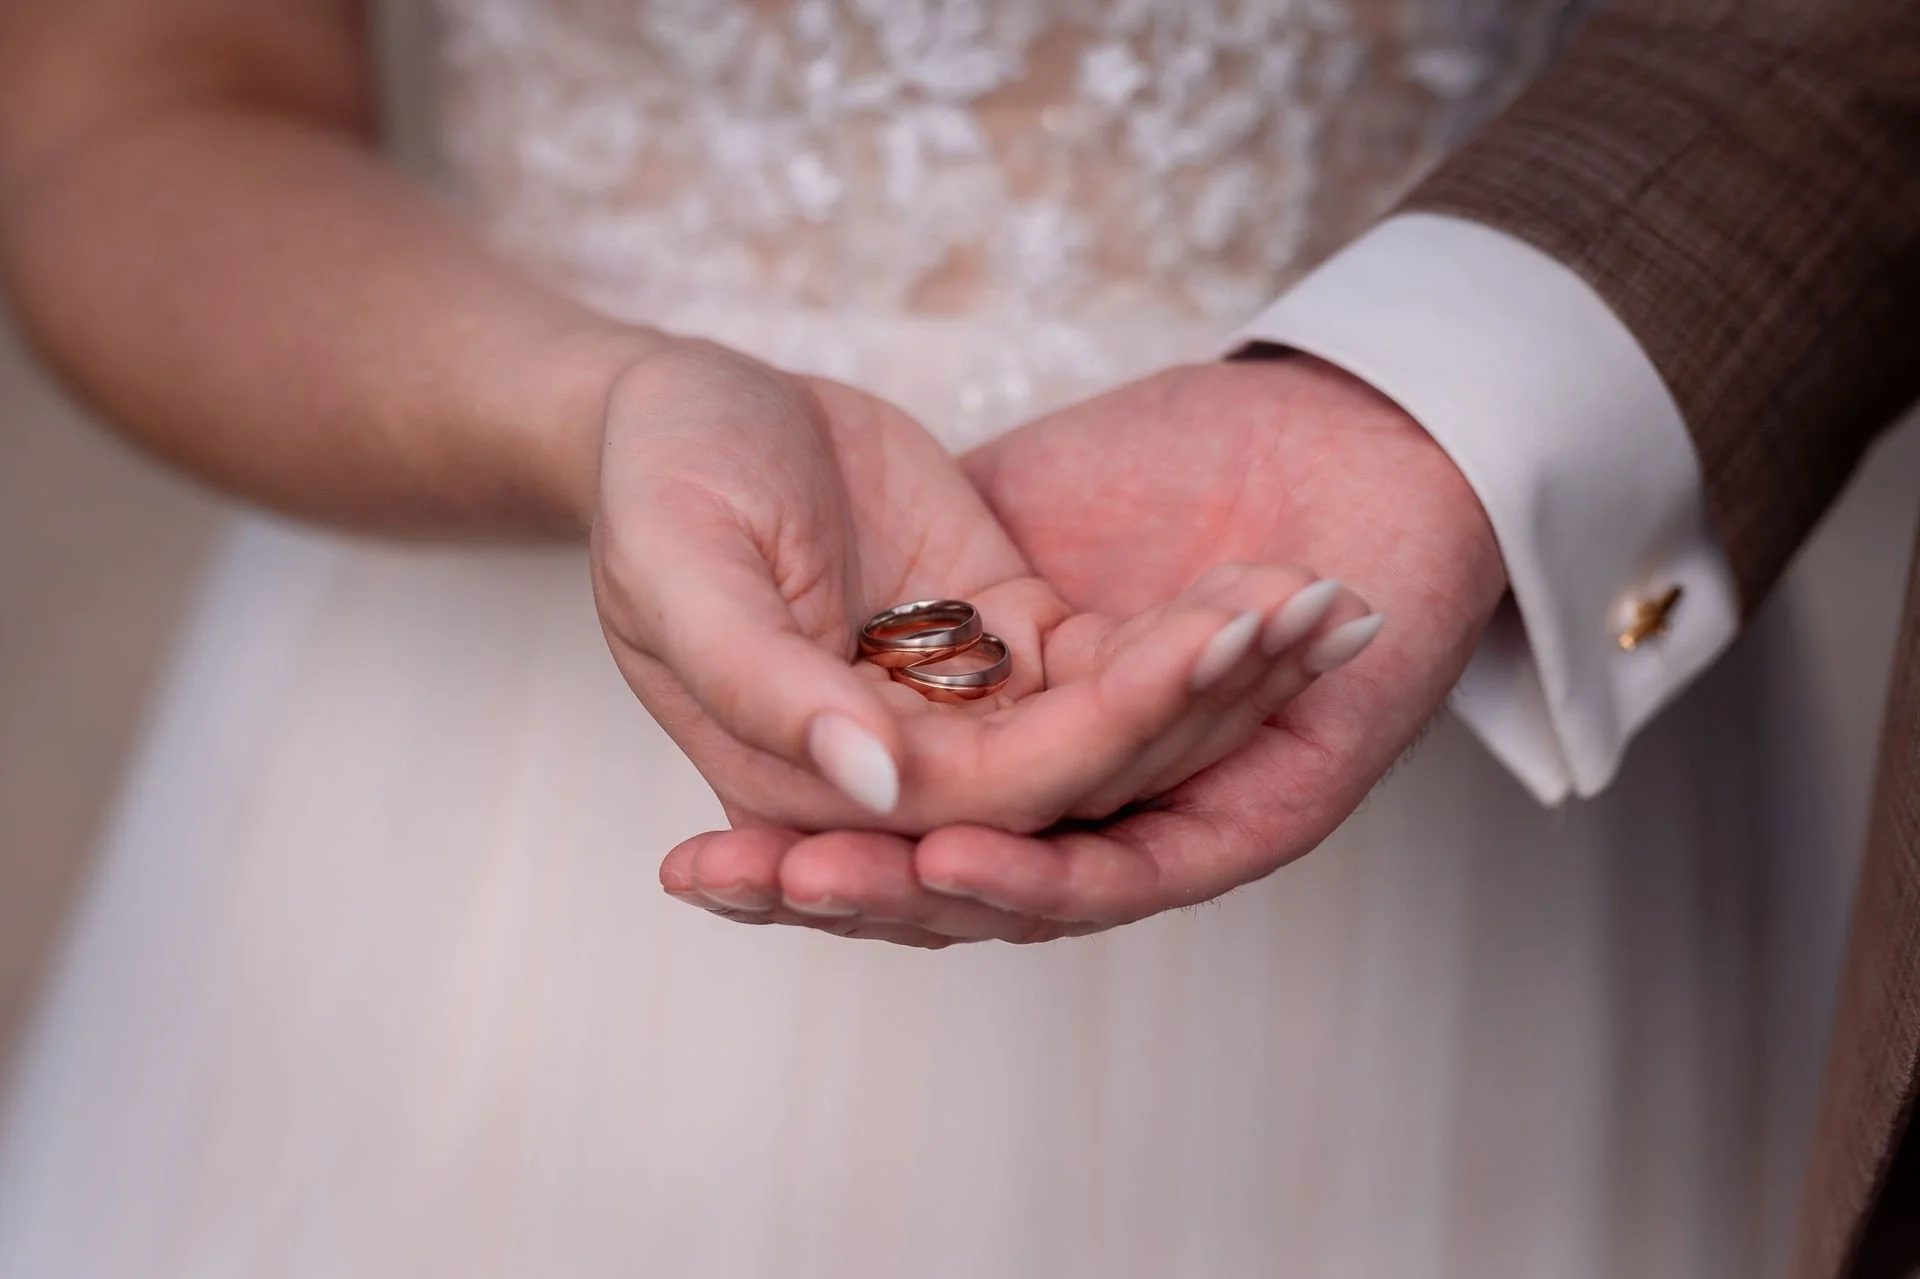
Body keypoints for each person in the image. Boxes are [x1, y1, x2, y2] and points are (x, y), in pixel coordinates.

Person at [0, 2, 1899, 1276]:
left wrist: (1436, 423)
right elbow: (128, 112)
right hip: (512, 764)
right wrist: (590, 408)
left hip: (1447, 632)